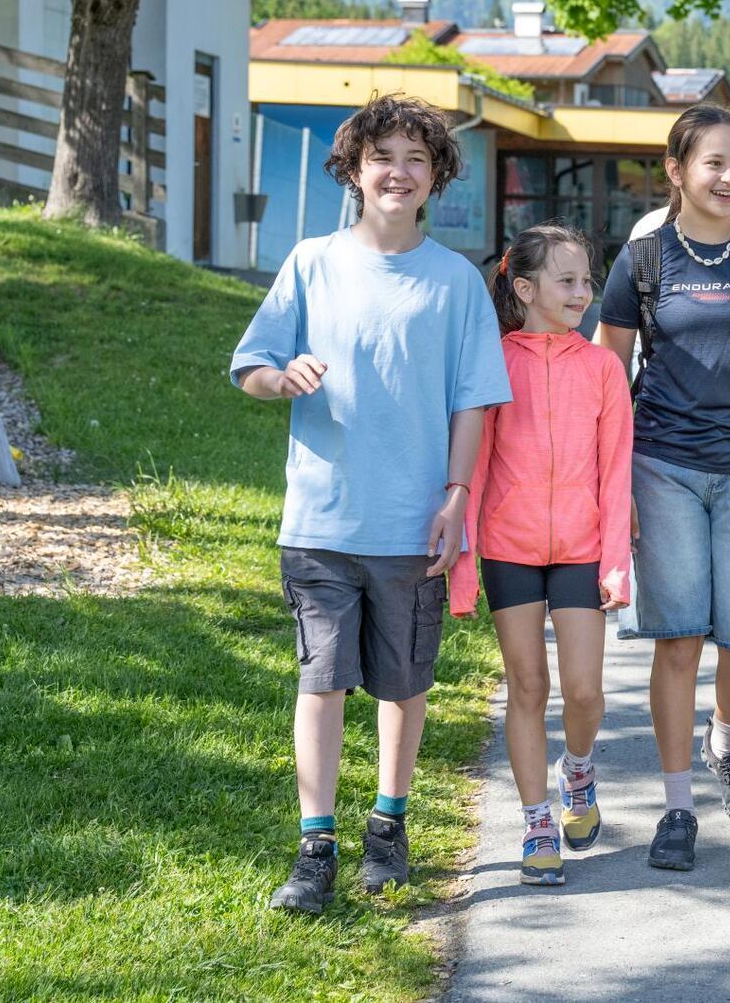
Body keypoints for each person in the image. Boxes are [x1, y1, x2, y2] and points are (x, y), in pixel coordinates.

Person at [232, 93, 511, 914]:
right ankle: (314, 846)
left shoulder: (457, 281)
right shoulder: (311, 263)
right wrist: (278, 379)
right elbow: (251, 365)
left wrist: (457, 498)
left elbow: (473, 402)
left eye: (416, 159)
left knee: (402, 684)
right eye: (382, 156)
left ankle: (387, 829)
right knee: (319, 683)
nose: (398, 171)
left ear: (436, 178)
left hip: (412, 524)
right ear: (354, 169)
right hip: (320, 522)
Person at [595, 103, 730, 872]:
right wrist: (609, 481)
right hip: (663, 467)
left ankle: (725, 743)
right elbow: (607, 375)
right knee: (679, 639)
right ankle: (676, 806)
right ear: (677, 171)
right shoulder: (643, 259)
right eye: (713, 163)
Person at [450, 223, 633, 886]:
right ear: (524, 288)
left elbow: (616, 473)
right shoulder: (494, 361)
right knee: (528, 686)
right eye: (567, 280)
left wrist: (617, 559)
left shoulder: (604, 368)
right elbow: (472, 467)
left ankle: (577, 772)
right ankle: (535, 822)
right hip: (510, 548)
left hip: (582, 549)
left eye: (587, 280)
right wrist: (465, 567)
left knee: (584, 692)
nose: (583, 292)